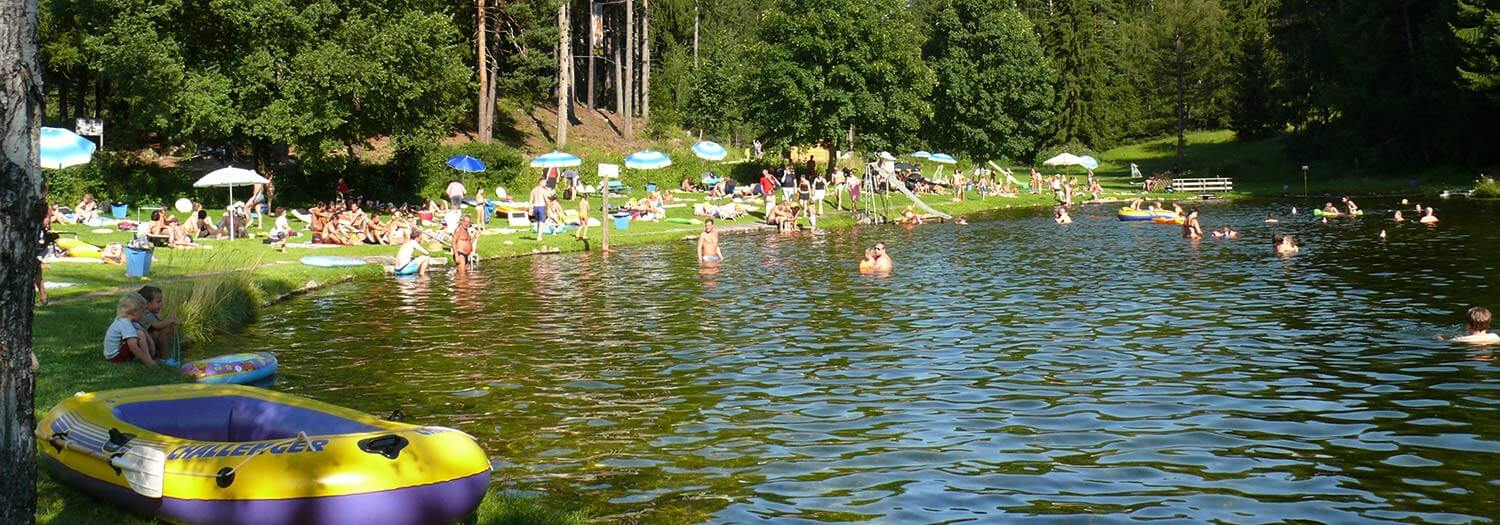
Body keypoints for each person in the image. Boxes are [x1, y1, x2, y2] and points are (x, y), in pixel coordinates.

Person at [104, 292, 157, 365]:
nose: (143, 316)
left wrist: (151, 343)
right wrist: (149, 362)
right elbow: (133, 346)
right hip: (116, 357)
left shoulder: (127, 321)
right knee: (140, 334)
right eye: (142, 312)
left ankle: (147, 358)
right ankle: (148, 360)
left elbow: (143, 329)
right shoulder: (125, 323)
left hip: (114, 355)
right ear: (135, 311)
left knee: (140, 332)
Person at [136, 286, 180, 356]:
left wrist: (170, 321)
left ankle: (164, 350)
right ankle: (164, 356)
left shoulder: (150, 312)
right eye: (158, 302)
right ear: (146, 303)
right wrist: (170, 320)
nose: (161, 304)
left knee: (167, 327)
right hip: (142, 342)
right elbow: (157, 325)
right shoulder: (145, 313)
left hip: (148, 339)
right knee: (163, 331)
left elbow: (160, 323)